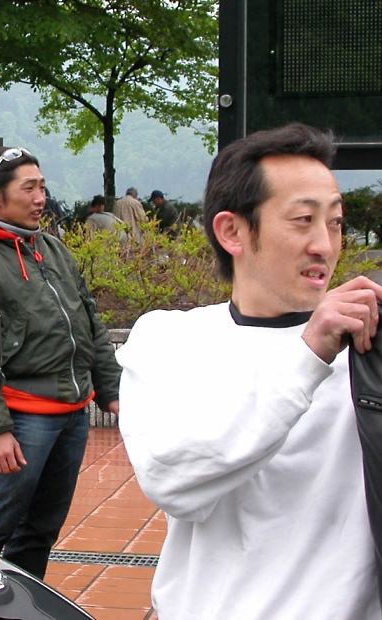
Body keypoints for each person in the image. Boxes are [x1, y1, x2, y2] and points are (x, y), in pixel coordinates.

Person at [117, 123, 382, 619]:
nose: (325, 245)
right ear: (232, 232)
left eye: (335, 222)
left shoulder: (368, 349)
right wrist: (310, 354)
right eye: (303, 220)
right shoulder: (168, 340)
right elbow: (173, 478)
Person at [0, 146, 121, 579]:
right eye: (29, 188)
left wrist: (112, 391)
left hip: (73, 413)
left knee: (42, 528)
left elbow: (89, 321)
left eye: (42, 186)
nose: (41, 198)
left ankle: (18, 601)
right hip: (23, 418)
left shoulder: (53, 250)